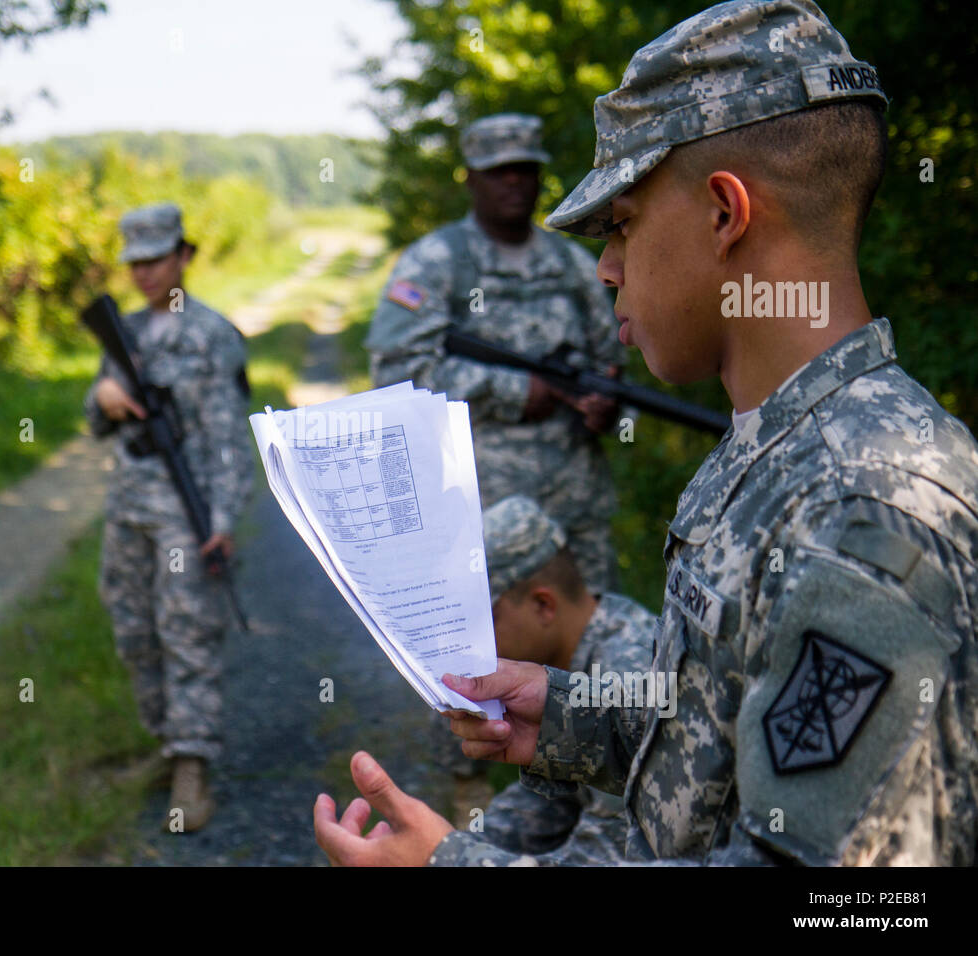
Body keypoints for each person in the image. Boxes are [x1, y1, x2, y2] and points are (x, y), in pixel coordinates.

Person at [314, 0, 978, 867]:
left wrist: (456, 865)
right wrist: (572, 718)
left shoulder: (864, 510)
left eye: (622, 224)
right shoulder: (766, 452)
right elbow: (730, 736)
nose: (606, 267)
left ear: (724, 212)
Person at [365, 112, 624, 593]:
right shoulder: (435, 263)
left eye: (523, 169)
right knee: (482, 657)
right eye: (497, 171)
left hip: (575, 508)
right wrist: (512, 390)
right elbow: (394, 374)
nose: (513, 181)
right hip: (476, 513)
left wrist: (607, 405)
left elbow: (612, 357)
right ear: (471, 178)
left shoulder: (571, 264)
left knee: (592, 649)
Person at [85, 202, 252, 832]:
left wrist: (224, 518)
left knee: (186, 629)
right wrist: (101, 395)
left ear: (184, 255)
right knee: (131, 626)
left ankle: (193, 767)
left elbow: (230, 439)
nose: (146, 273)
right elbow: (98, 413)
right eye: (135, 262)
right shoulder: (122, 331)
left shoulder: (211, 334)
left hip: (188, 509)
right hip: (129, 503)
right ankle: (165, 742)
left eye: (157, 259)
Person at [470, 495, 657, 861]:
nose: (476, 646)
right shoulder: (573, 663)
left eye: (485, 622)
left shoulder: (626, 672)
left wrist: (447, 855)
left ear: (543, 605)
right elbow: (539, 811)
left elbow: (608, 855)